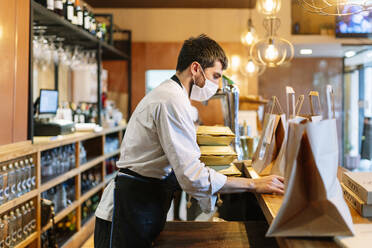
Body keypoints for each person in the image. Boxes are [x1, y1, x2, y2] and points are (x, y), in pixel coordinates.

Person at [94, 34, 284, 248]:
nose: (216, 85)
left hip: (141, 204)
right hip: (128, 208)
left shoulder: (174, 96)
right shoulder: (171, 100)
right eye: (215, 76)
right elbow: (191, 176)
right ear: (196, 69)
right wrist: (252, 184)